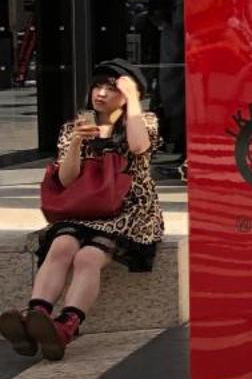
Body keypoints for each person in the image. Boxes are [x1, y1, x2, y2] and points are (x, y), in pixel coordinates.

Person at [1, 60, 163, 361]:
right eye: (97, 86)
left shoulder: (143, 121)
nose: (100, 94)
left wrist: (135, 103)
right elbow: (66, 179)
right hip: (84, 208)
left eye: (111, 89)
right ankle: (36, 317)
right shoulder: (75, 126)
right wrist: (76, 141)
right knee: (62, 246)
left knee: (88, 257)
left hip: (127, 212)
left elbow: (139, 147)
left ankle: (66, 327)